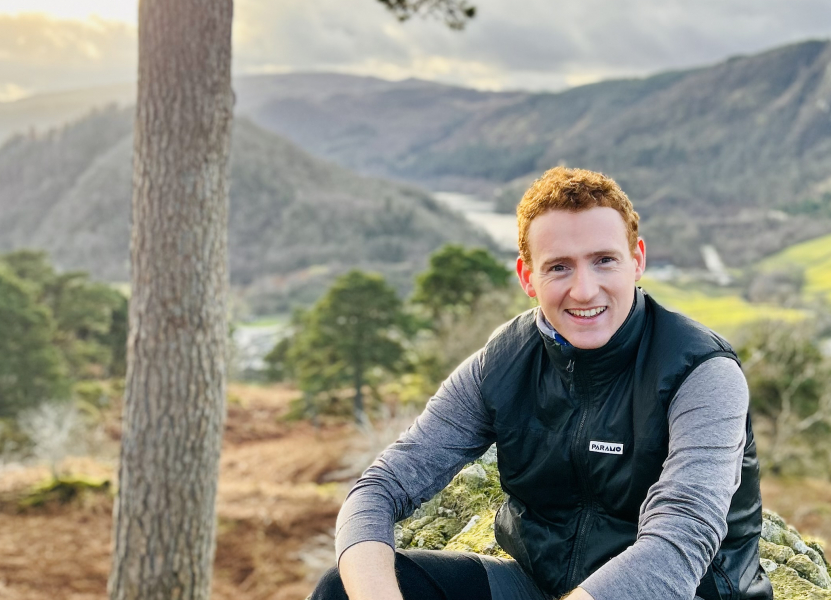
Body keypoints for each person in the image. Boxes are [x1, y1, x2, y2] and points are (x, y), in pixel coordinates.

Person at [311, 167, 773, 600]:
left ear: (637, 261)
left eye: (604, 261)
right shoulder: (503, 362)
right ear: (527, 277)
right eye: (559, 267)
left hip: (678, 591)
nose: (585, 289)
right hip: (539, 585)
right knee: (341, 589)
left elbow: (682, 538)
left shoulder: (701, 372)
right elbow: (380, 488)